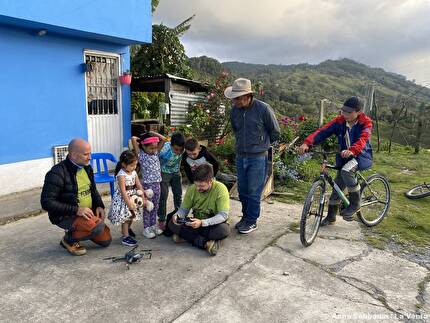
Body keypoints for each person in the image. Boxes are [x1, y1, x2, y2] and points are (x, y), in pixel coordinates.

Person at [298, 96, 373, 224]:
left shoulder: (365, 123)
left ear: (358, 112)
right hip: (344, 156)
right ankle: (331, 216)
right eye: (343, 111)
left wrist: (353, 150)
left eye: (349, 112)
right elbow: (323, 131)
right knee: (337, 184)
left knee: (346, 171)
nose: (345, 114)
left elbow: (363, 139)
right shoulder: (339, 121)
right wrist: (307, 143)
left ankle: (355, 204)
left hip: (360, 155)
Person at [225, 78, 280, 234]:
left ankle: (252, 221)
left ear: (248, 96)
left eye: (238, 98)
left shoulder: (263, 109)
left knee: (254, 190)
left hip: (258, 157)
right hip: (241, 155)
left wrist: (261, 144)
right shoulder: (235, 110)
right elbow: (236, 130)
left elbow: (275, 132)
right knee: (242, 189)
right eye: (234, 98)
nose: (235, 101)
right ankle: (245, 217)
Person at [41, 138, 111, 256]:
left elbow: (92, 189)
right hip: (66, 215)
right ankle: (68, 239)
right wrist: (77, 210)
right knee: (97, 227)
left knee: (106, 241)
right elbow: (46, 202)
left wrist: (99, 205)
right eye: (85, 154)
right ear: (73, 155)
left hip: (86, 213)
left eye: (90, 153)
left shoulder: (87, 167)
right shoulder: (56, 173)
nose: (90, 157)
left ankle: (84, 228)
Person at [168, 163, 230, 256]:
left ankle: (187, 237)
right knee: (172, 223)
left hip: (212, 223)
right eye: (196, 185)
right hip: (195, 223)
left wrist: (202, 223)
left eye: (201, 186)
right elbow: (184, 210)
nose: (198, 188)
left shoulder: (221, 189)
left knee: (223, 230)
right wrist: (178, 215)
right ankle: (207, 243)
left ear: (211, 181)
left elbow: (223, 215)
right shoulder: (192, 189)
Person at [108, 150, 148, 246]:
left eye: (135, 165)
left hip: (133, 197)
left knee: (132, 216)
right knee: (126, 218)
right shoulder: (121, 174)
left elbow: (138, 185)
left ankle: (126, 230)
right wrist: (128, 204)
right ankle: (125, 237)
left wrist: (143, 197)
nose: (134, 167)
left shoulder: (133, 172)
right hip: (124, 199)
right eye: (132, 165)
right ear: (123, 164)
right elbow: (122, 191)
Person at [131, 131, 166, 238]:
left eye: (155, 148)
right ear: (143, 146)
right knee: (148, 207)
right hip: (147, 186)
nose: (154, 150)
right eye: (151, 148)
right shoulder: (141, 156)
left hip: (157, 184)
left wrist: (152, 133)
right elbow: (133, 139)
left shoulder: (156, 153)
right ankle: (146, 228)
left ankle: (153, 226)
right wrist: (141, 139)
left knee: (155, 206)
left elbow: (164, 139)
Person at [158, 132, 185, 227]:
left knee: (178, 194)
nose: (178, 152)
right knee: (163, 195)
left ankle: (179, 215)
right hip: (164, 172)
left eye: (180, 150)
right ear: (171, 144)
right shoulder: (165, 148)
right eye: (176, 149)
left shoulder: (183, 149)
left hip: (176, 172)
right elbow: (154, 157)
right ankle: (162, 218)